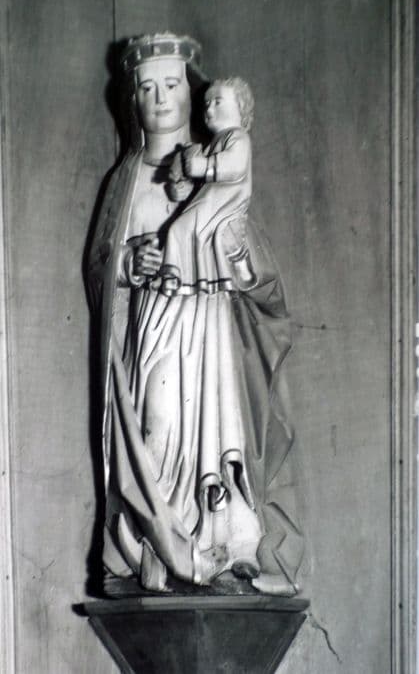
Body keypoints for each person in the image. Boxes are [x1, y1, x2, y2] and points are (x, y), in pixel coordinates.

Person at [88, 33, 303, 595]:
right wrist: (129, 261)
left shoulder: (220, 169)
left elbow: (258, 273)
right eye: (147, 88)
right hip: (155, 326)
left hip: (208, 328)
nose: (160, 98)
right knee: (157, 426)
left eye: (172, 84)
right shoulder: (125, 180)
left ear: (193, 92)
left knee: (218, 433)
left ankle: (223, 546)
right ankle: (156, 548)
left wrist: (236, 255)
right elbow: (101, 267)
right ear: (131, 100)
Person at [162, 77, 256, 296]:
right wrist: (182, 187)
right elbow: (197, 180)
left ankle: (177, 276)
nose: (209, 109)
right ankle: (182, 277)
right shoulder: (212, 144)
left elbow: (235, 166)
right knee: (182, 230)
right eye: (206, 104)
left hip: (226, 202)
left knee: (186, 230)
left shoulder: (238, 137)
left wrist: (203, 166)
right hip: (210, 202)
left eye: (217, 102)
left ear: (240, 105)